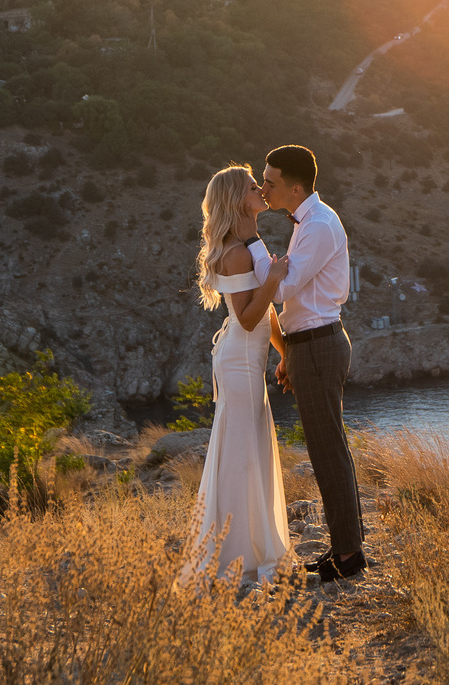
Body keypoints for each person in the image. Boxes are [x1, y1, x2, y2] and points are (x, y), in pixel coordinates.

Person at [183, 163, 293, 588]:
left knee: (249, 447)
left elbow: (262, 314)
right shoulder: (237, 252)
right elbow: (250, 318)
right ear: (238, 200)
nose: (261, 190)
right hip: (240, 359)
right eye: (253, 187)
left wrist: (287, 356)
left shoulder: (245, 245)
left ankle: (243, 545)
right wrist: (276, 279)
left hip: (246, 359)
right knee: (243, 451)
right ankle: (239, 553)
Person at [261, 142, 365, 581]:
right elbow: (295, 292)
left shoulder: (319, 225)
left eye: (270, 181)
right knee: (328, 451)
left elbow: (283, 290)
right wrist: (291, 353)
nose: (263, 188)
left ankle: (348, 557)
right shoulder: (309, 222)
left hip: (319, 346)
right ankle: (345, 549)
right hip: (310, 345)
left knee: (328, 453)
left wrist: (253, 252)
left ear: (295, 185)